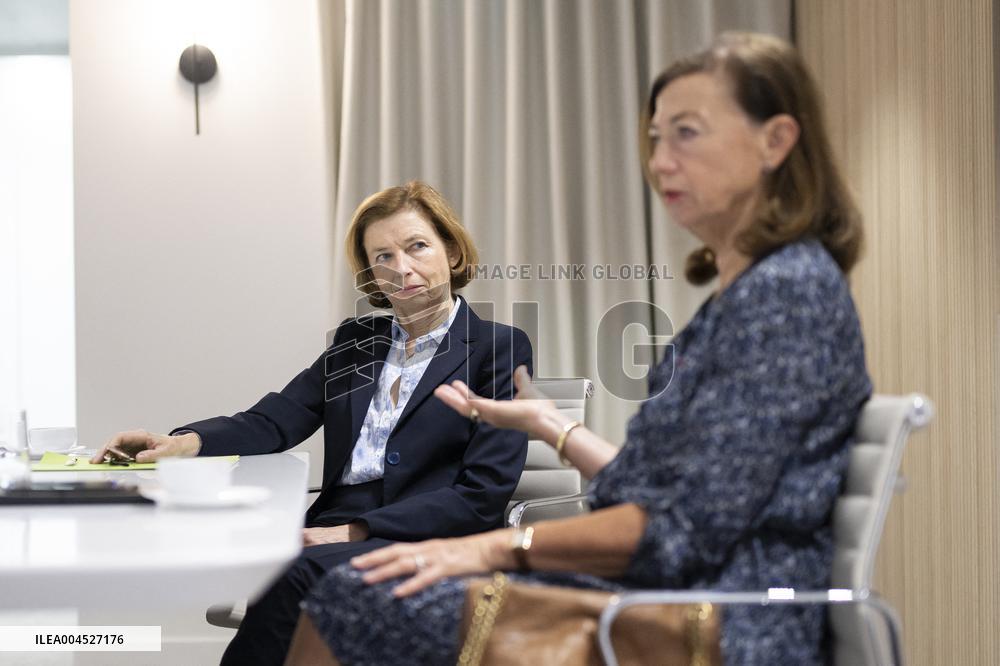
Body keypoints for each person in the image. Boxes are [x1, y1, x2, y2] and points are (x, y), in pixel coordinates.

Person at [282, 32, 872, 666]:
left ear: (775, 141)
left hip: (724, 618)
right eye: (654, 138)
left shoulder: (786, 295)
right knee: (353, 594)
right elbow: (654, 496)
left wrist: (485, 549)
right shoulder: (744, 298)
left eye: (687, 133)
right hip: (670, 591)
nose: (660, 161)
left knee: (356, 596)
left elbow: (678, 534)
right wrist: (550, 424)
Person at [91, 181, 533, 666]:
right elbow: (276, 420)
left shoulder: (498, 346)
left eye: (416, 246)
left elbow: (483, 491)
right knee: (242, 555)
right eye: (382, 256)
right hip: (331, 521)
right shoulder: (355, 341)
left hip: (425, 533)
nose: (401, 268)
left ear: (451, 252)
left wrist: (358, 530)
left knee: (290, 574)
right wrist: (183, 443)